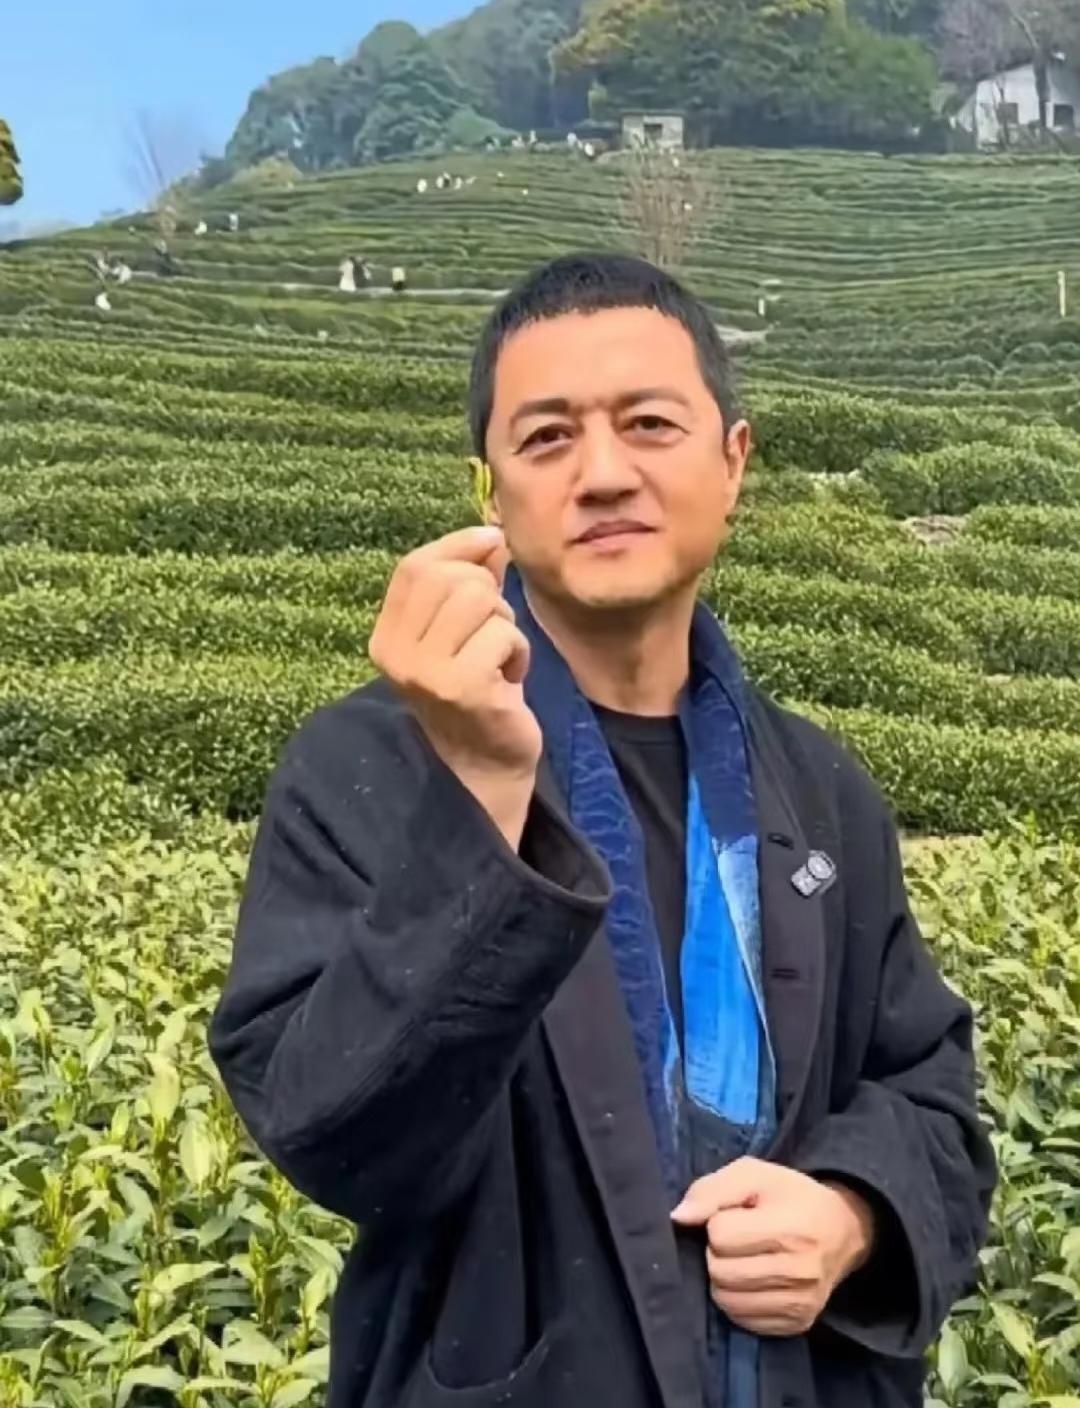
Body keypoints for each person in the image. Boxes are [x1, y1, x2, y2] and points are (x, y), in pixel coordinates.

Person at [210, 253, 996, 1408]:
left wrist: (851, 1211)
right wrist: (480, 796)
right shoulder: (363, 767)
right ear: (490, 493)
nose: (604, 473)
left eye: (650, 424)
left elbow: (931, 1096)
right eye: (547, 438)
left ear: (734, 462)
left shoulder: (823, 789)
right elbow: (333, 1137)